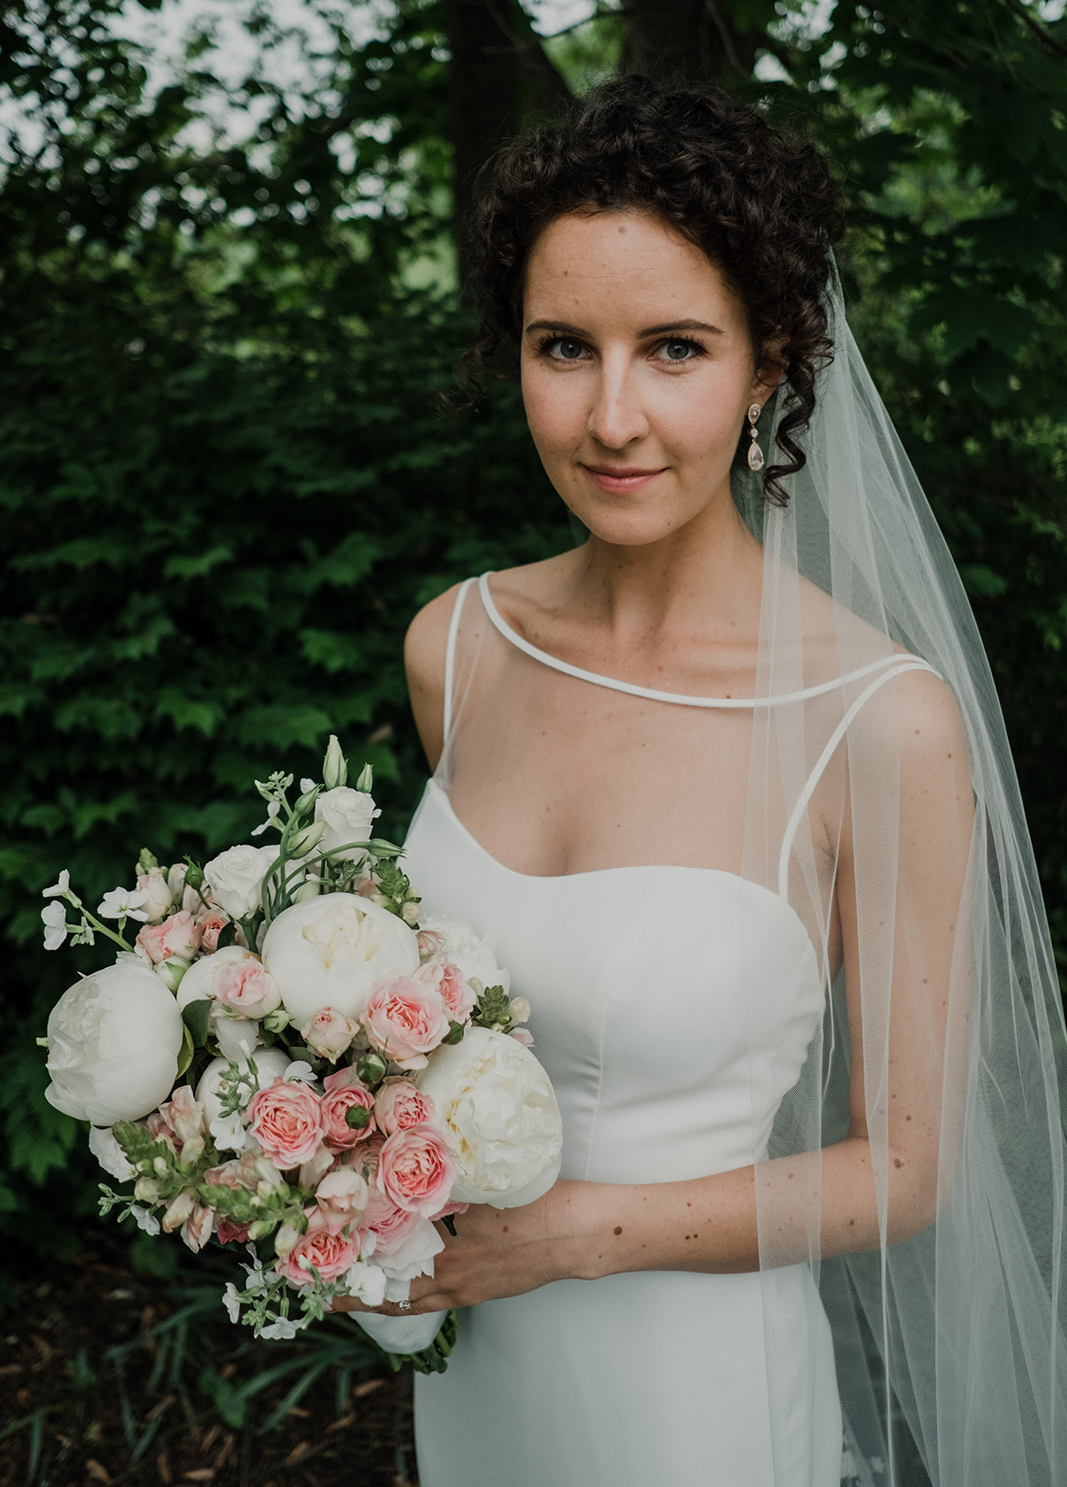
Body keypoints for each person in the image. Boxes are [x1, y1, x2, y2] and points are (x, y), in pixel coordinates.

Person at [337, 78, 1067, 1486]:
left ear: (772, 362)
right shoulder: (457, 647)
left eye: (674, 349)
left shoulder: (877, 724)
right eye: (565, 348)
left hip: (695, 1388)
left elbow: (908, 1171)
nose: (612, 416)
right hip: (476, 1365)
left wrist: (565, 1236)